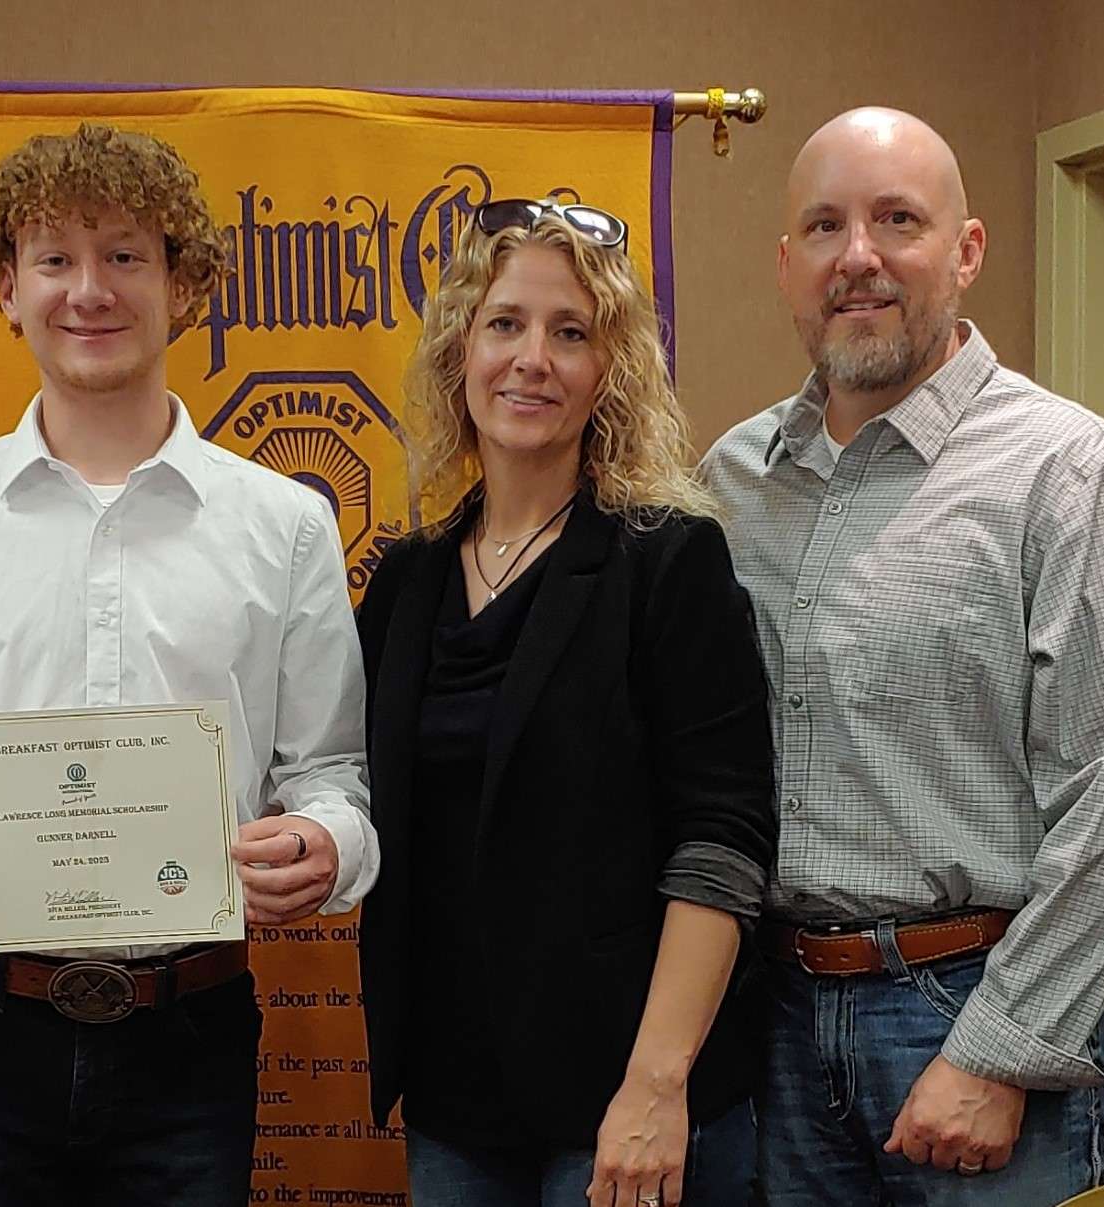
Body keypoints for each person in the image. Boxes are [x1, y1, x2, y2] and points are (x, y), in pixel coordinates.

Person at [0, 123, 379, 1207]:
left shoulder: (286, 524)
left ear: (185, 285)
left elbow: (331, 776)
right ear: (5, 289)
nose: (90, 290)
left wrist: (323, 843)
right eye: (54, 259)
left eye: (126, 255)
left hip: (191, 1033)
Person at [700, 107, 1104, 1205]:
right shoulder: (731, 482)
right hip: (772, 1030)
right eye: (824, 226)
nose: (857, 256)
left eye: (897, 220)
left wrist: (1000, 1048)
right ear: (787, 267)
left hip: (973, 1010)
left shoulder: (1070, 473)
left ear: (965, 252)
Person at [354, 199, 777, 1207]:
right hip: (455, 1105)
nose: (531, 358)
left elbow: (722, 842)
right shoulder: (405, 582)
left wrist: (655, 1084)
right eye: (504, 323)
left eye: (570, 332)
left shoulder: (667, 559)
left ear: (609, 371)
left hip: (623, 1106)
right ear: (462, 347)